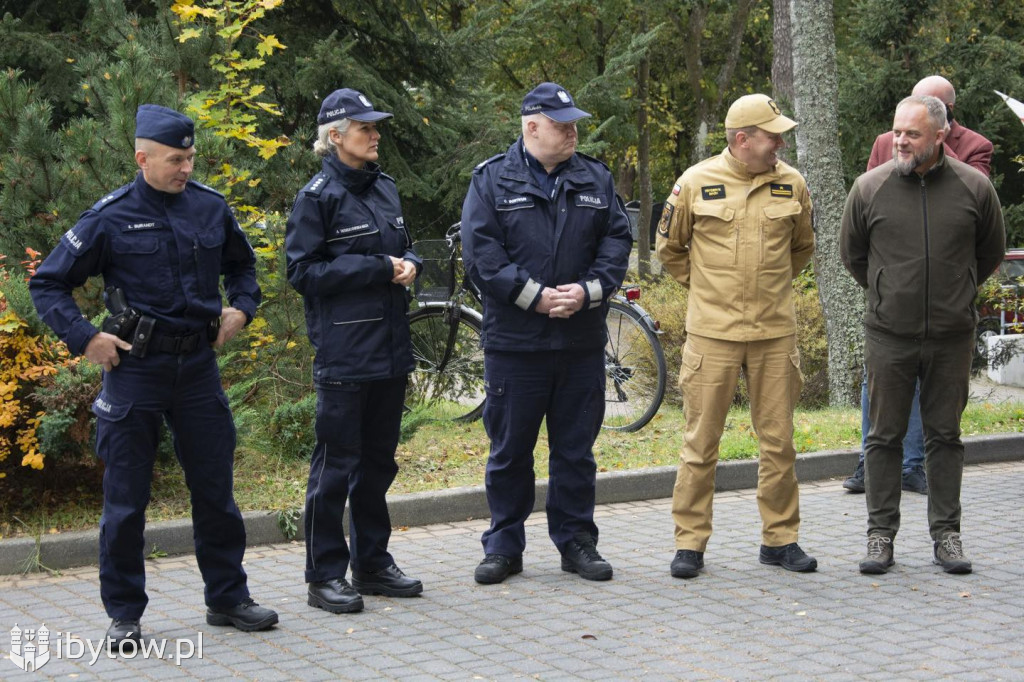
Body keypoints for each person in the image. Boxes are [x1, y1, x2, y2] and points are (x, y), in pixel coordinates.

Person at [29, 104, 277, 648]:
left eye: (189, 158)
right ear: (142, 158)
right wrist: (85, 338)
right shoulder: (110, 216)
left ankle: (229, 598)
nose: (185, 168)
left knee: (215, 491)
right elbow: (48, 283)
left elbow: (243, 265)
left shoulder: (210, 207)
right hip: (135, 370)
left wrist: (243, 308)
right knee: (126, 500)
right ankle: (124, 614)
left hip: (198, 370)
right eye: (173, 160)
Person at [460, 82, 632, 585]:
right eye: (562, 124)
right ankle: (504, 547)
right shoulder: (491, 180)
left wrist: (589, 291)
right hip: (516, 344)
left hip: (579, 342)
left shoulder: (595, 178)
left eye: (574, 122)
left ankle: (577, 542)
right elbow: (482, 256)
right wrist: (533, 295)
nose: (573, 131)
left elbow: (616, 242)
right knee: (510, 450)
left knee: (576, 451)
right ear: (532, 127)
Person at [841, 95, 1004, 575]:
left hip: (952, 336)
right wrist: (891, 293)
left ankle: (947, 536)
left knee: (945, 437)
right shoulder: (869, 188)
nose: (900, 141)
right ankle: (879, 536)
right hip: (889, 335)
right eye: (897, 132)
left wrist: (958, 293)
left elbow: (989, 253)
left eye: (911, 133)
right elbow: (854, 257)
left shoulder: (975, 189)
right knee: (883, 437)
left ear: (939, 136)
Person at [656, 94, 817, 579]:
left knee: (779, 443)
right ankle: (690, 543)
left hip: (773, 334)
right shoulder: (695, 182)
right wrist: (709, 290)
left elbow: (802, 248)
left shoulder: (793, 184)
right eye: (772, 135)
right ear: (742, 139)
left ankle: (780, 539)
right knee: (700, 444)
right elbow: (670, 248)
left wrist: (765, 293)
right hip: (713, 336)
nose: (780, 143)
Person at [285, 88, 423, 614]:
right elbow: (303, 273)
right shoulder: (317, 197)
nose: (376, 134)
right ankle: (324, 576)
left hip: (389, 351)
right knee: (335, 468)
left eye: (375, 126)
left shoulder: (384, 188)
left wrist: (410, 263)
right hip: (344, 354)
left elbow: (402, 246)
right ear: (335, 136)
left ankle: (372, 565)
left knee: (378, 465)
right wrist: (379, 267)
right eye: (365, 127)